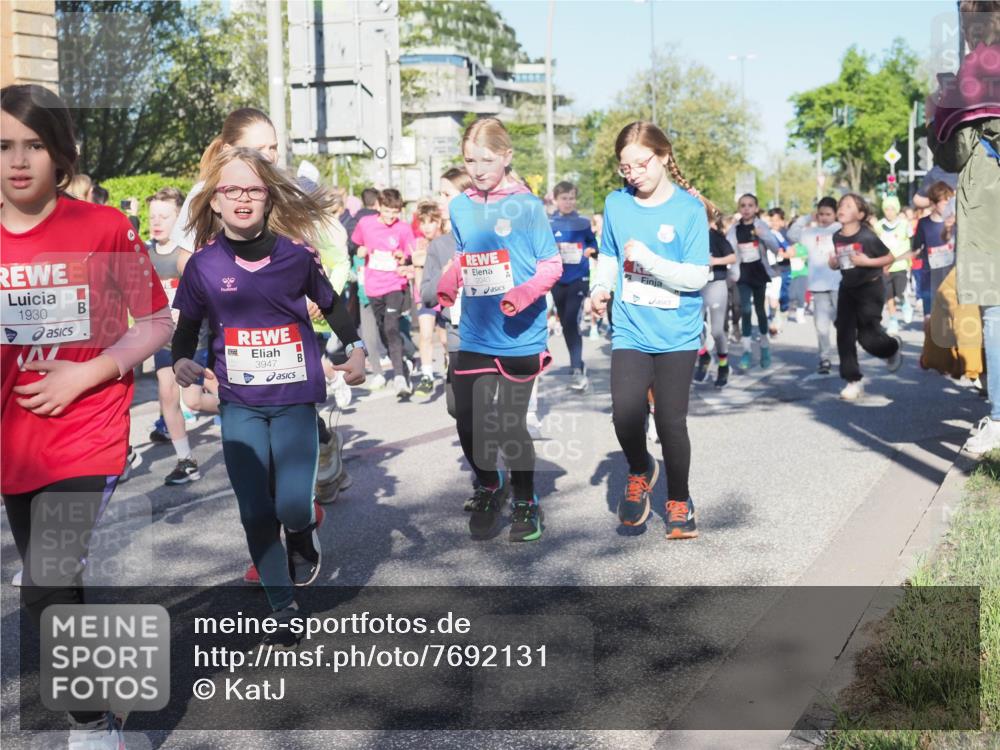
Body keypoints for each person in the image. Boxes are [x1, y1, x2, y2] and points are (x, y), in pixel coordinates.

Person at [1, 83, 173, 748]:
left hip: (87, 430)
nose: (19, 161)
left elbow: (155, 321)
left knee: (45, 577)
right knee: (54, 579)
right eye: (3, 146)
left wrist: (87, 373)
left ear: (60, 153)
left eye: (34, 145)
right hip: (15, 440)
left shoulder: (101, 228)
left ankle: (90, 725)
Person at [171, 147, 366, 647]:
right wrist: (181, 361)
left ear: (268, 197)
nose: (242, 197)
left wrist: (357, 349)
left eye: (253, 189)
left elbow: (332, 305)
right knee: (255, 509)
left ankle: (301, 531)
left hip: (295, 398)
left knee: (293, 505)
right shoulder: (203, 266)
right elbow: (187, 328)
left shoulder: (296, 256)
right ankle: (283, 605)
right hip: (239, 403)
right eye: (231, 189)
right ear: (215, 201)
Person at [436, 117, 561, 542]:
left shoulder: (527, 206)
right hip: (475, 330)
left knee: (509, 423)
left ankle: (526, 499)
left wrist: (524, 293)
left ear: (506, 156)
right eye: (470, 161)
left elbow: (551, 264)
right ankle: (490, 484)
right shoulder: (460, 206)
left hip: (519, 333)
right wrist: (452, 278)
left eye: (486, 160)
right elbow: (466, 253)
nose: (477, 169)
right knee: (468, 419)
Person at [590, 121, 711, 539]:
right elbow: (609, 253)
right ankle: (641, 468)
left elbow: (696, 276)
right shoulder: (617, 203)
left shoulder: (689, 210)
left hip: (677, 333)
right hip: (630, 327)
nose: (634, 174)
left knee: (671, 422)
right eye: (625, 168)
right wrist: (601, 288)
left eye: (641, 164)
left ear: (663, 156)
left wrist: (648, 260)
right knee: (625, 413)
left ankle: (679, 500)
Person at [928, 0, 1000, 454]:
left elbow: (956, 153)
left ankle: (999, 418)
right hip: (987, 203)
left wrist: (945, 109)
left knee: (995, 310)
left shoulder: (976, 70)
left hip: (989, 203)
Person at [144, 186, 207, 484]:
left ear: (179, 219)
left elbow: (205, 294)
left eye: (164, 216)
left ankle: (238, 409)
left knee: (193, 401)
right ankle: (186, 460)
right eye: (152, 216)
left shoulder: (187, 255)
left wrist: (186, 311)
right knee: (167, 396)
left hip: (193, 339)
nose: (156, 222)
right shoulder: (146, 256)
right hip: (162, 340)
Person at [828, 194, 902, 401]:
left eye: (848, 206)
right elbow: (841, 262)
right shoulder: (836, 236)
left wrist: (866, 262)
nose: (842, 208)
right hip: (847, 288)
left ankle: (892, 347)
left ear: (860, 215)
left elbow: (890, 257)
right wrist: (833, 264)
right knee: (844, 333)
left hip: (870, 288)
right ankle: (853, 380)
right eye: (841, 205)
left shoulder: (867, 236)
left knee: (867, 338)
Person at [351, 188, 416, 398]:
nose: (390, 216)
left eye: (395, 212)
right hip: (372, 286)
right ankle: (403, 363)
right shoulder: (365, 224)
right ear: (379, 206)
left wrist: (402, 256)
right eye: (387, 211)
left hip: (395, 284)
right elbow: (355, 245)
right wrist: (359, 250)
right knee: (382, 330)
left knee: (391, 326)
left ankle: (399, 378)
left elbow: (411, 254)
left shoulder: (403, 228)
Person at [420, 167, 474, 416]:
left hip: (488, 337)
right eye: (439, 194)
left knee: (482, 409)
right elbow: (427, 296)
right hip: (456, 337)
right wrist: (445, 275)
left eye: (446, 195)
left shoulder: (488, 237)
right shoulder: (439, 245)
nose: (440, 201)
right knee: (457, 409)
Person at [549, 180, 599, 391]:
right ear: (555, 200)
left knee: (571, 319)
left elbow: (593, 245)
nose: (568, 202)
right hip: (557, 279)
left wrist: (591, 250)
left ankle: (577, 367)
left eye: (571, 198)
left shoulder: (583, 223)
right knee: (567, 324)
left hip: (578, 278)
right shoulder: (549, 223)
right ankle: (576, 362)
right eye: (564, 198)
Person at [726, 194, 780, 371]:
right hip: (742, 273)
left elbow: (774, 247)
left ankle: (764, 348)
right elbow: (728, 248)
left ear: (756, 208)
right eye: (743, 205)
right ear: (739, 209)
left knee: (760, 310)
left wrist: (763, 235)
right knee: (746, 311)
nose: (746, 209)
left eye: (750, 205)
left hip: (759, 272)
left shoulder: (761, 225)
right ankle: (746, 351)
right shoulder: (735, 229)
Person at [792, 197, 841, 375]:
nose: (824, 218)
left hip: (839, 284)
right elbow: (792, 234)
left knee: (842, 323)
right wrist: (807, 218)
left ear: (835, 214)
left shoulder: (840, 229)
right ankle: (824, 358)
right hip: (818, 285)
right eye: (821, 214)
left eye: (828, 214)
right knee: (821, 326)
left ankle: (846, 354)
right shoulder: (810, 233)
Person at [694, 205, 737, 387]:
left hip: (715, 284)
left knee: (717, 331)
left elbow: (732, 257)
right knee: (692, 329)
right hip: (695, 286)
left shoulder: (715, 236)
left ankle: (723, 365)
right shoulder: (689, 236)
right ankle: (703, 356)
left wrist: (714, 261)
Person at [412, 200, 448, 396]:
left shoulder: (445, 242)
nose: (426, 227)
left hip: (444, 295)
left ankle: (450, 361)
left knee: (445, 338)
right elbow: (417, 268)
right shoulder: (418, 243)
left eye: (431, 222)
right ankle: (427, 376)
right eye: (423, 222)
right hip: (424, 295)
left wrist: (420, 259)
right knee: (425, 335)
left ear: (439, 222)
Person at [910, 181, 957, 316]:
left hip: (951, 278)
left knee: (950, 318)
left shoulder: (957, 222)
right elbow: (916, 249)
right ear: (933, 203)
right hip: (929, 277)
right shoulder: (923, 223)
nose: (948, 207)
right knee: (929, 320)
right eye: (945, 203)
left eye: (950, 202)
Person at [875, 196, 913, 334]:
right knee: (888, 294)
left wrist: (909, 258)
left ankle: (905, 303)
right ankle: (893, 321)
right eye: (886, 209)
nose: (889, 212)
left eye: (892, 209)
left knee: (899, 291)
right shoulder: (879, 226)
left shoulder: (904, 224)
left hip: (900, 264)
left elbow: (912, 242)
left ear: (897, 209)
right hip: (885, 266)